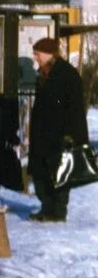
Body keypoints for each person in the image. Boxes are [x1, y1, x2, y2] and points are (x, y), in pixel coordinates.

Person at [28, 37, 87, 222]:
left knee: (60, 173)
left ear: (48, 53)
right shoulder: (45, 73)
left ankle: (58, 212)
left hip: (61, 135)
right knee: (41, 173)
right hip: (44, 134)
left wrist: (71, 135)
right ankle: (47, 208)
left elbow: (76, 108)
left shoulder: (67, 74)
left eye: (37, 54)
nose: (35, 58)